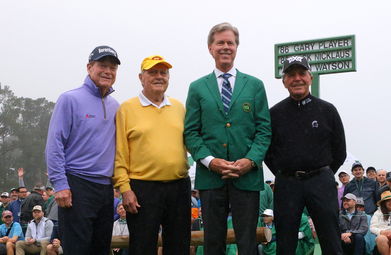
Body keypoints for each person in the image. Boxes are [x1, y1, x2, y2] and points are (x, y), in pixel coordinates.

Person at [184, 22, 271, 255]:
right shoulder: (197, 88)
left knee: (247, 241)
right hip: (210, 178)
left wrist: (249, 161)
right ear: (210, 48)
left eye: (230, 43)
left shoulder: (254, 85)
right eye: (220, 42)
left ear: (236, 47)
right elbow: (191, 132)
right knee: (213, 241)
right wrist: (210, 161)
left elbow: (264, 130)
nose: (225, 47)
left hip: (248, 177)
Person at [264, 55, 346, 254]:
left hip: (321, 182)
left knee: (331, 240)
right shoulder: (274, 114)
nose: (297, 79)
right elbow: (268, 152)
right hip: (287, 184)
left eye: (302, 73)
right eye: (291, 75)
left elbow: (340, 150)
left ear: (311, 77)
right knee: (285, 241)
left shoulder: (327, 110)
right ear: (284, 82)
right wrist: (286, 173)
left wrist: (322, 172)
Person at [45, 45, 121, 255]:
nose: (108, 71)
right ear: (89, 67)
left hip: (105, 189)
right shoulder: (70, 99)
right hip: (76, 185)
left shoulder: (116, 105)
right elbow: (54, 143)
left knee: (100, 248)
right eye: (102, 65)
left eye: (112, 67)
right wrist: (60, 184)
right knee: (77, 249)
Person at [113, 55, 191, 254]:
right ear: (141, 77)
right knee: (142, 246)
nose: (159, 76)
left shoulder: (179, 107)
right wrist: (125, 189)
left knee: (179, 245)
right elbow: (119, 153)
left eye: (163, 72)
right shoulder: (127, 109)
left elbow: (191, 143)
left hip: (179, 186)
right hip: (142, 189)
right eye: (153, 72)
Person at [370, 191, 391, 255]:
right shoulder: (378, 212)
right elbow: (372, 227)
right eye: (388, 201)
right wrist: (382, 232)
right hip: (383, 235)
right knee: (381, 238)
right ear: (384, 203)